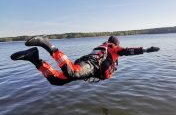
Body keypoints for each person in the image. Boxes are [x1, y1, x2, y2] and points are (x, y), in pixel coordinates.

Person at [10, 36, 160, 86]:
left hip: (91, 70)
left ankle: (34, 59)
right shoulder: (113, 48)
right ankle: (47, 44)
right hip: (92, 65)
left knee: (57, 81)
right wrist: (146, 50)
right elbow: (129, 51)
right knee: (72, 72)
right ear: (115, 44)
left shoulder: (109, 51)